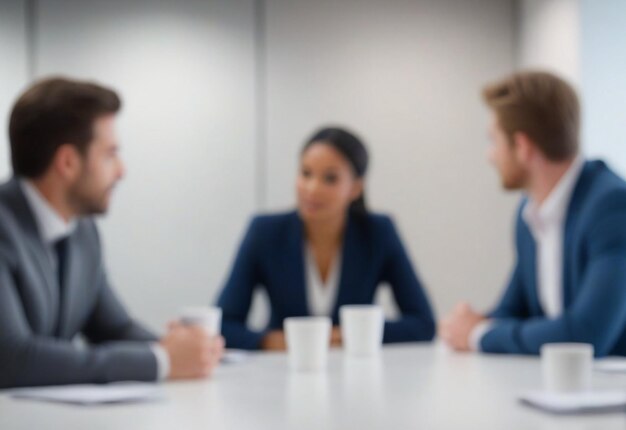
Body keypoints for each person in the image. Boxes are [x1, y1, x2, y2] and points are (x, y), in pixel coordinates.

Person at [0, 77, 224, 388]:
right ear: (67, 162)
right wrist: (160, 361)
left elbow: (114, 328)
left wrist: (183, 348)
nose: (121, 170)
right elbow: (11, 359)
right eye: (110, 154)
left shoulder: (82, 231)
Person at [440, 71, 626, 357]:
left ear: (523, 146)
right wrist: (472, 324)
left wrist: (478, 335)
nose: (490, 155)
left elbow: (586, 335)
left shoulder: (612, 206)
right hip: (565, 391)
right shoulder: (531, 214)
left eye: (493, 140)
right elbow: (513, 311)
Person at [217, 126, 435, 350]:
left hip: (356, 370)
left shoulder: (378, 232)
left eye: (330, 178)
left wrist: (344, 336)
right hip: (281, 370)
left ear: (356, 188)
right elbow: (222, 325)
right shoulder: (264, 232)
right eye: (306, 173)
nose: (312, 188)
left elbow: (423, 324)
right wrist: (279, 341)